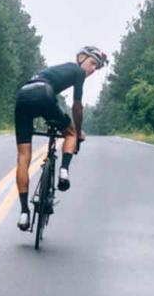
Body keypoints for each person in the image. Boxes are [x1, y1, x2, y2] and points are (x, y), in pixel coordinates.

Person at [13, 46, 108, 231]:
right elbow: (77, 106)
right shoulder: (77, 70)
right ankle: (64, 171)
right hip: (44, 94)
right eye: (92, 63)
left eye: (96, 68)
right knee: (70, 133)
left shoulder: (55, 70)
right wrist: (78, 132)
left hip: (23, 95)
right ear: (81, 57)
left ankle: (24, 213)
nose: (92, 69)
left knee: (23, 157)